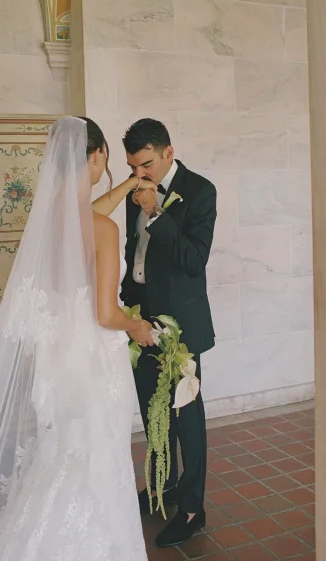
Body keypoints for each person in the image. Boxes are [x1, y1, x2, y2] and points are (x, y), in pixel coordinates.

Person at [0, 117, 155, 561]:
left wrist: (127, 185)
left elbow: (89, 217)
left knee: (65, 452)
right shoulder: (101, 230)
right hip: (90, 362)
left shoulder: (48, 221)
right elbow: (106, 313)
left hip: (56, 361)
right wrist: (138, 328)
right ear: (96, 156)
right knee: (93, 457)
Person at [121, 118, 217, 548]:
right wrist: (123, 305)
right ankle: (163, 485)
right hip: (141, 319)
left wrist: (155, 212)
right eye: (132, 167)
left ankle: (193, 508)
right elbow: (132, 251)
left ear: (168, 153)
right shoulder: (132, 187)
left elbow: (194, 260)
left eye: (145, 165)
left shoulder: (200, 191)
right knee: (151, 409)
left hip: (182, 322)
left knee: (186, 415)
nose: (139, 175)